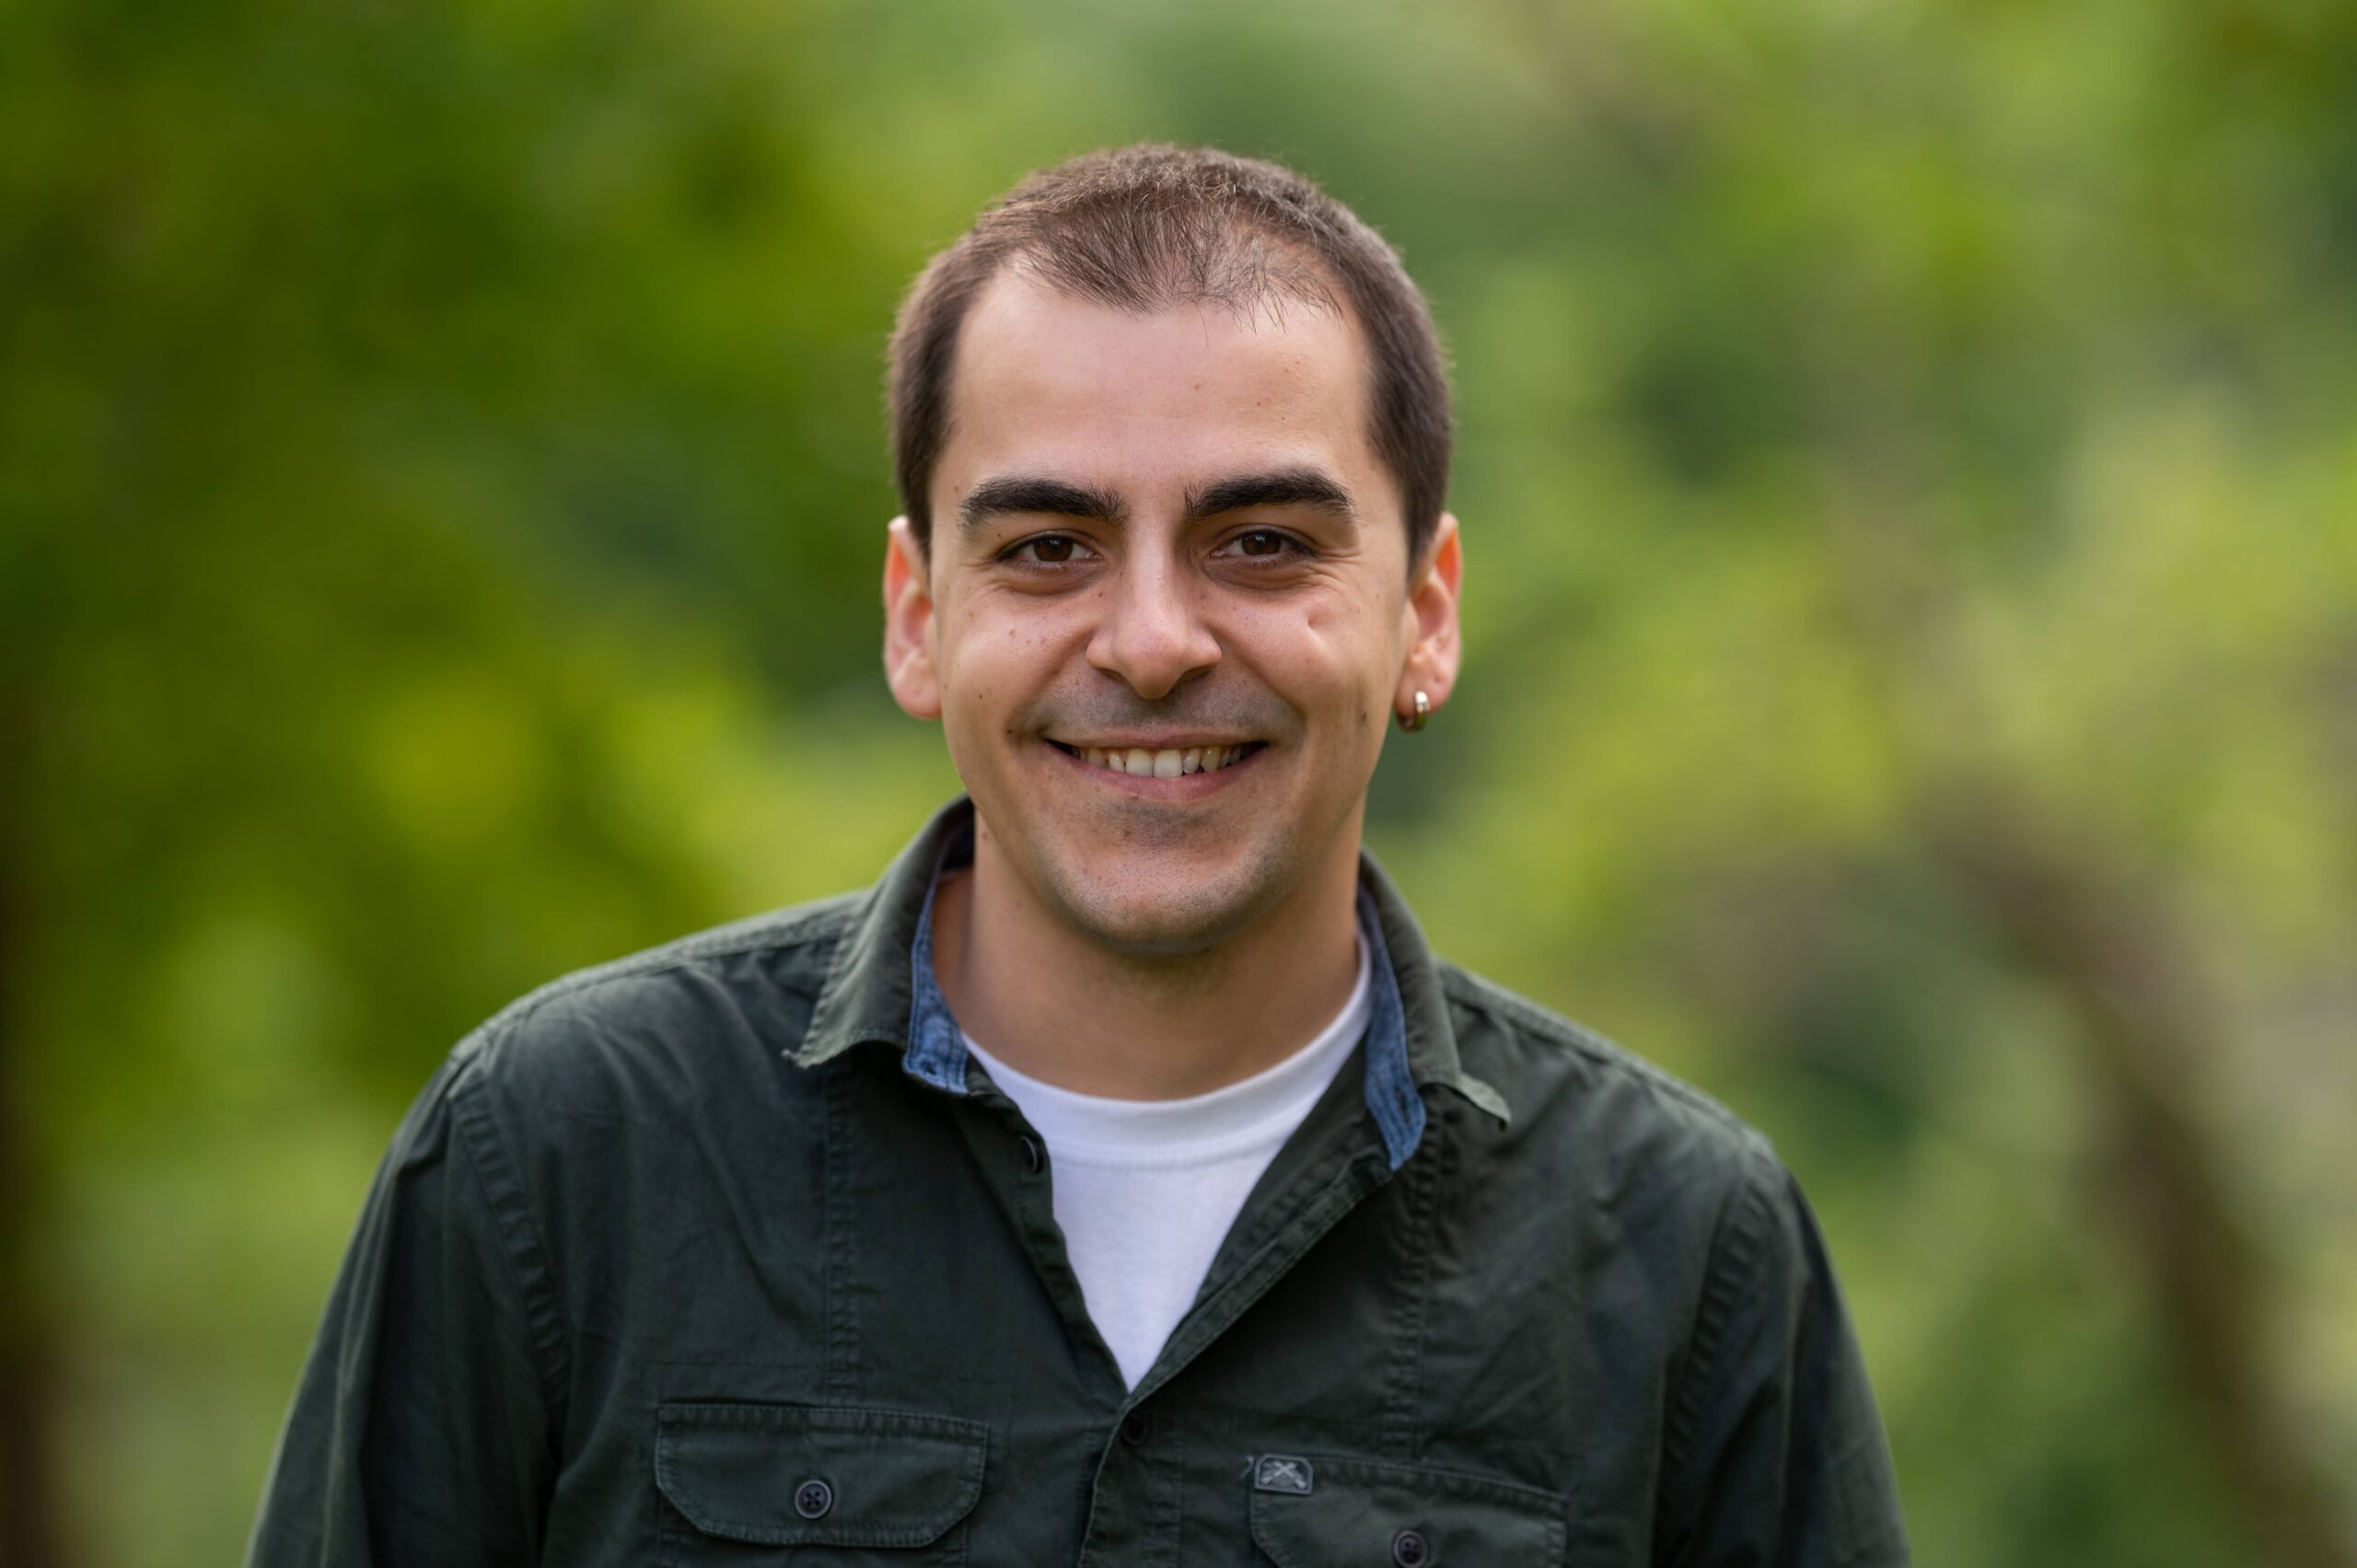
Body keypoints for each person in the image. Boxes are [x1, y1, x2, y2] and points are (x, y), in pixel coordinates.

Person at [245, 143, 1910, 1566]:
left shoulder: (1688, 1252)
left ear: (1427, 612)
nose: (1156, 639)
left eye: (1263, 541)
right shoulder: (555, 1157)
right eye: (1050, 547)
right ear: (919, 617)